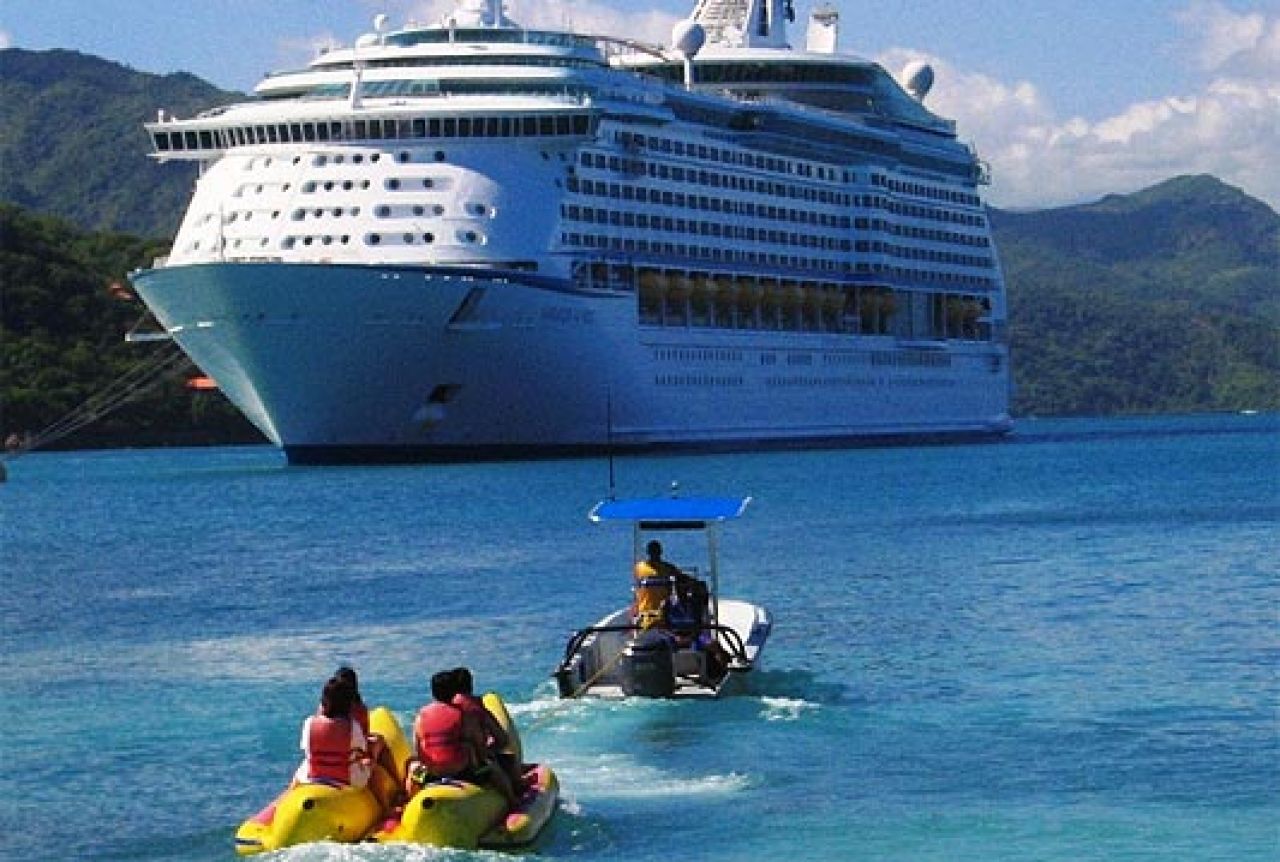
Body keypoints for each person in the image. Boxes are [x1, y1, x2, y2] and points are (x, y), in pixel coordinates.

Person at [406, 670, 518, 807]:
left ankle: (410, 803)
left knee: (412, 767)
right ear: (454, 692)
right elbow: (478, 746)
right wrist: (485, 758)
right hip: (463, 773)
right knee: (494, 770)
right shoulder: (463, 715)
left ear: (433, 693)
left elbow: (418, 749)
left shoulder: (421, 715)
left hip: (432, 774)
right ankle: (513, 802)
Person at [451, 667, 526, 798]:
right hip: (474, 766)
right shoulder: (475, 707)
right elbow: (502, 739)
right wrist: (489, 749)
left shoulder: (443, 710)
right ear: (470, 685)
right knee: (509, 759)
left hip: (445, 767)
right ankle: (515, 799)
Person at [295, 675, 372, 790]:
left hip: (312, 777)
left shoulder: (309, 722)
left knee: (300, 770)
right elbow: (362, 749)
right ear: (348, 704)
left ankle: (287, 796)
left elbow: (306, 748)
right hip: (347, 780)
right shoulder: (352, 726)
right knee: (370, 764)